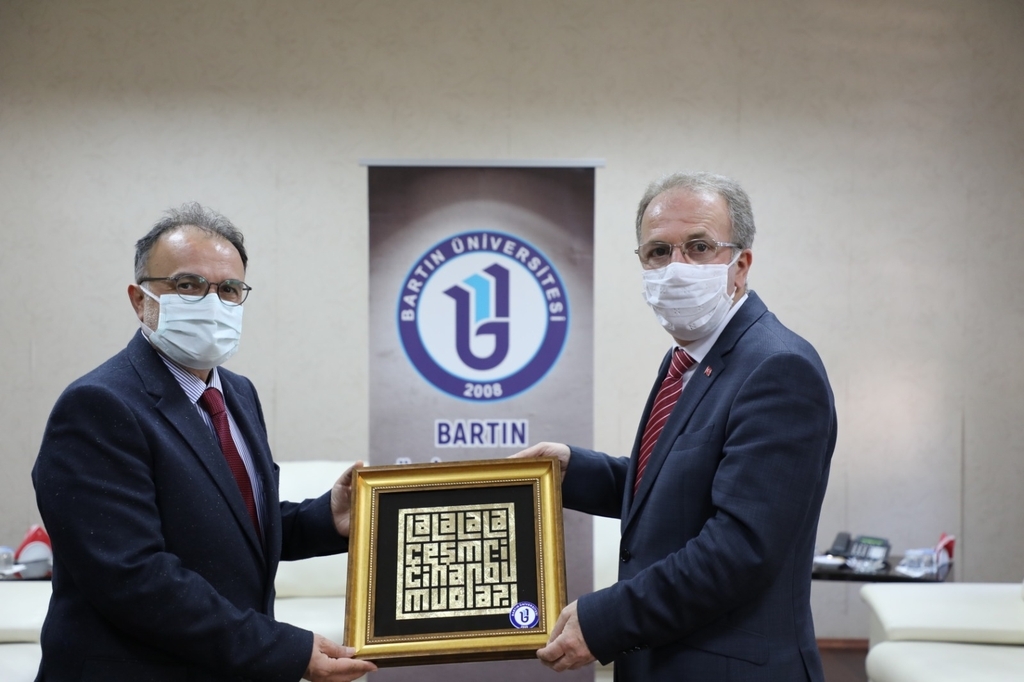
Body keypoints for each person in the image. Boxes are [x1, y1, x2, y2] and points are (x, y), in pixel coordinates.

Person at [32, 204, 377, 682]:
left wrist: (327, 519)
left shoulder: (237, 393)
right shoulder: (98, 405)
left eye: (229, 289)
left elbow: (231, 525)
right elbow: (132, 576)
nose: (213, 303)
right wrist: (282, 648)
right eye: (188, 285)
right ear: (140, 300)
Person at [514, 173, 837, 681]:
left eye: (699, 247)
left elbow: (740, 549)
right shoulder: (687, 360)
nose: (676, 267)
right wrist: (571, 470)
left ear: (740, 265)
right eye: (658, 252)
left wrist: (604, 620)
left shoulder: (778, 368)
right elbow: (676, 489)